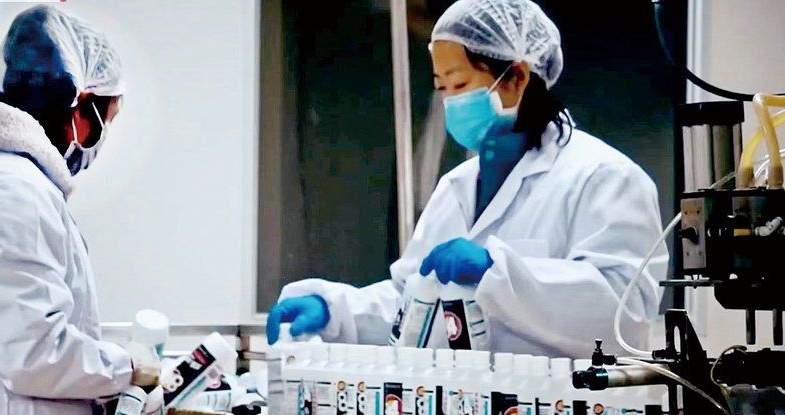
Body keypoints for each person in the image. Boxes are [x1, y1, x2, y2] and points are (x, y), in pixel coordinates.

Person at [267, 0, 668, 357]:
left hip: (561, 410)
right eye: (442, 88)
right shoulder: (456, 186)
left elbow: (624, 316)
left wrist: (498, 271)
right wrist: (335, 311)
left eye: (460, 84)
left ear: (517, 76)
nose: (451, 102)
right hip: (461, 406)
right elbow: (415, 301)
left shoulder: (604, 178)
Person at [0, 6, 157, 415]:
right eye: (105, 119)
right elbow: (32, 352)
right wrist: (126, 366)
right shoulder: (13, 192)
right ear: (78, 107)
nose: (98, 142)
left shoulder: (15, 185)